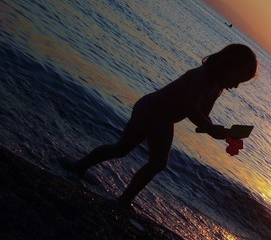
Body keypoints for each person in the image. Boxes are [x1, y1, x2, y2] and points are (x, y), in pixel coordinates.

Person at [60, 44, 258, 207]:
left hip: (164, 121)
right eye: (238, 79)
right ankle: (79, 166)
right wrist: (210, 128)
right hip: (149, 110)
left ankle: (125, 199)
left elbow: (203, 116)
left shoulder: (216, 88)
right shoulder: (202, 77)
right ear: (229, 66)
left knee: (158, 163)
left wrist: (221, 132)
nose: (237, 86)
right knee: (121, 149)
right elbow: (191, 109)